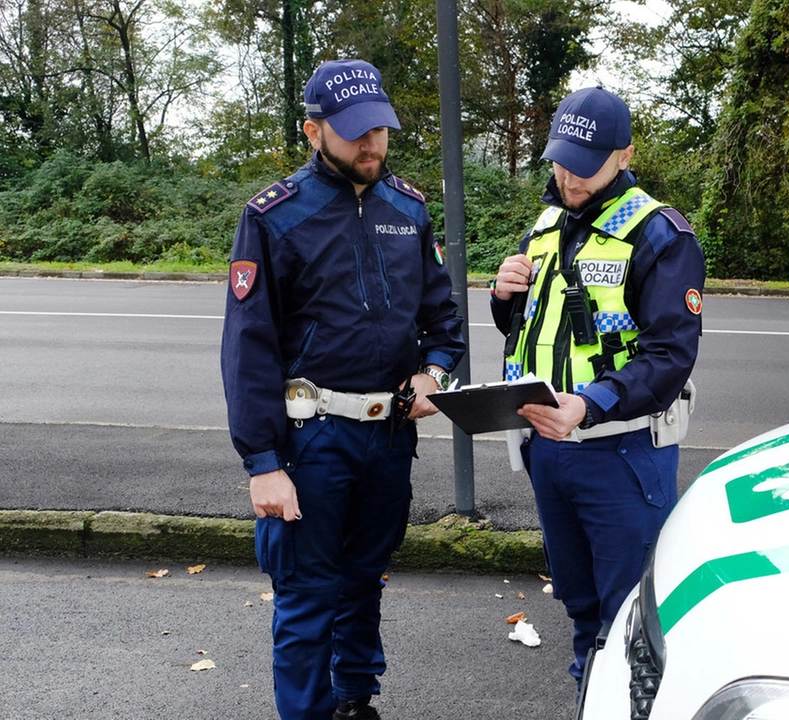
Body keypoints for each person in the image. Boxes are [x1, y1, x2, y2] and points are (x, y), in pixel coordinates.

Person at [221, 58, 465, 720]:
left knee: (364, 583)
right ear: (313, 131)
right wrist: (263, 464)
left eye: (380, 130)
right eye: (356, 132)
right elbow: (247, 351)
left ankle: (356, 702)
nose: (372, 145)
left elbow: (444, 325)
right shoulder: (274, 218)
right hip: (312, 439)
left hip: (388, 439)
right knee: (307, 596)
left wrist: (432, 374)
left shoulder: (407, 209)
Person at [490, 85, 706, 687]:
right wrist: (503, 297)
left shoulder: (661, 236)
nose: (568, 177)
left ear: (625, 155)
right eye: (560, 160)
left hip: (622, 453)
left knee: (629, 619)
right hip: (548, 447)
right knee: (581, 608)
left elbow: (669, 357)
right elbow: (539, 327)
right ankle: (590, 693)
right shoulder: (549, 222)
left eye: (584, 166)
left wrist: (589, 405)